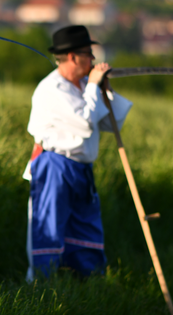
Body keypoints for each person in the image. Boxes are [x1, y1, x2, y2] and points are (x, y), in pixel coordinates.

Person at [24, 25, 132, 281]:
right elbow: (85, 124)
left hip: (81, 168)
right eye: (88, 53)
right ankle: (41, 287)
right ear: (72, 56)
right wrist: (93, 86)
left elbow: (110, 121)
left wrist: (103, 89)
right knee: (49, 228)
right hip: (54, 166)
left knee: (84, 226)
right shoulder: (52, 89)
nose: (93, 59)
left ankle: (88, 283)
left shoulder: (84, 85)